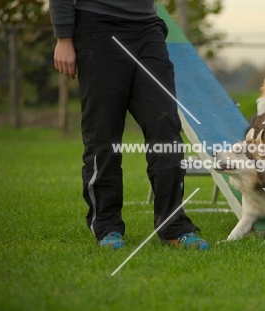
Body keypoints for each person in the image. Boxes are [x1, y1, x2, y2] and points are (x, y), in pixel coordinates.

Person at [49, 0, 209, 250]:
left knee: (166, 128)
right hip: (97, 26)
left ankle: (174, 225)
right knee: (103, 133)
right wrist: (63, 38)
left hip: (147, 28)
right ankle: (107, 226)